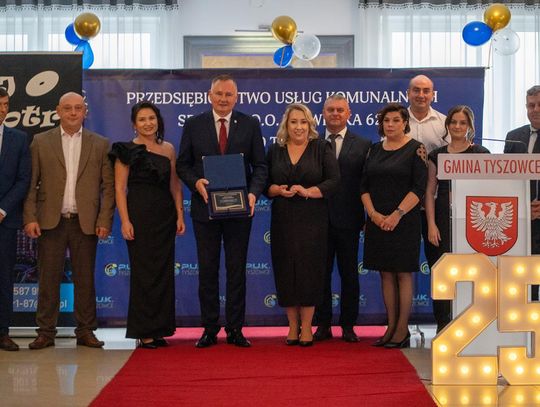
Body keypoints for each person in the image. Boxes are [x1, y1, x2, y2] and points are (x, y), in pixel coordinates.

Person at [176, 74, 267, 348]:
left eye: (229, 94)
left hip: (240, 211)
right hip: (204, 210)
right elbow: (183, 165)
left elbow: (260, 166)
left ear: (236, 98)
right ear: (210, 95)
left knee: (236, 270)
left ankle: (235, 329)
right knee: (207, 270)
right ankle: (209, 328)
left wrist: (253, 193)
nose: (223, 99)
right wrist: (196, 183)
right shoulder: (194, 124)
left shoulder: (250, 124)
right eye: (219, 94)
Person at [23, 92, 115, 349]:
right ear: (58, 111)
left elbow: (108, 187)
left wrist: (104, 219)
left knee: (85, 280)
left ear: (85, 111)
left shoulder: (101, 144)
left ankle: (85, 331)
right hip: (50, 221)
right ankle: (45, 332)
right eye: (67, 108)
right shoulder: (40, 141)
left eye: (78, 108)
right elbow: (30, 183)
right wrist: (30, 217)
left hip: (85, 222)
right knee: (48, 279)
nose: (73, 113)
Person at [110, 102, 185, 349]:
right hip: (139, 217)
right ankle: (144, 331)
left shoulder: (169, 149)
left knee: (163, 274)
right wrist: (125, 220)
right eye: (142, 119)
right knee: (144, 275)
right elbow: (120, 188)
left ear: (158, 121)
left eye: (151, 118)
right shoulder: (125, 150)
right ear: (134, 124)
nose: (147, 123)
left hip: (164, 218)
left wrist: (179, 215)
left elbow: (175, 185)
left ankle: (160, 329)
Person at [266, 103, 339, 346]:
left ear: (310, 124)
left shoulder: (321, 147)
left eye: (303, 122)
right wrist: (277, 190)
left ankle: (307, 326)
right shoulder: (275, 150)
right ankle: (292, 326)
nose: (298, 127)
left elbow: (334, 181)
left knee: (310, 272)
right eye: (294, 122)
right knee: (286, 271)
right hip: (283, 220)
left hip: (313, 220)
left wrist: (309, 191)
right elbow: (264, 183)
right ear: (286, 125)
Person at [361, 103, 427, 349]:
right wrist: (373, 215)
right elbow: (363, 186)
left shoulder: (416, 149)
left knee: (402, 273)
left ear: (405, 123)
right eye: (386, 121)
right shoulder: (374, 149)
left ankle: (402, 330)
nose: (390, 125)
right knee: (385, 273)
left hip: (404, 220)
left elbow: (419, 188)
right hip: (377, 221)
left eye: (395, 120)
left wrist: (396, 215)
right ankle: (390, 327)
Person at [425, 105, 490, 332]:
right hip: (442, 221)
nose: (457, 126)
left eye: (463, 123)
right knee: (443, 274)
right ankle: (443, 326)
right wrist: (431, 224)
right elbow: (430, 192)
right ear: (447, 125)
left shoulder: (481, 154)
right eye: (453, 122)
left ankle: (471, 326)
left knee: (471, 273)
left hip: (472, 222)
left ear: (470, 126)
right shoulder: (437, 155)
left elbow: (488, 191)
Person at [313, 94, 371, 343]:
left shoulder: (364, 144)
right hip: (317, 219)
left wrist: (368, 214)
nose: (335, 114)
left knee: (349, 275)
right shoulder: (312, 142)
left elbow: (367, 183)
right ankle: (323, 324)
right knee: (320, 275)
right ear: (323, 114)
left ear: (349, 113)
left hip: (350, 219)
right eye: (330, 110)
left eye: (340, 110)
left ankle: (348, 326)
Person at [406, 74, 447, 327]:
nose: (421, 95)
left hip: (437, 207)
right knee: (401, 268)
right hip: (404, 207)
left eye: (426, 91)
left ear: (433, 94)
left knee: (439, 266)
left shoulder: (444, 124)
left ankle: (444, 323)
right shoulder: (397, 121)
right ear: (408, 93)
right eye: (416, 90)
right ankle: (399, 327)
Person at [0, 87, 31, 351]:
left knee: (3, 278)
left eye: (6, 105)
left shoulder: (19, 139)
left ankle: (2, 332)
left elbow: (23, 180)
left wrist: (2, 210)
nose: (2, 110)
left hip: (5, 221)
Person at [505, 85, 540, 300]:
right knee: (525, 276)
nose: (535, 110)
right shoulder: (513, 136)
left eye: (539, 105)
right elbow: (505, 178)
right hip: (521, 219)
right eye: (531, 105)